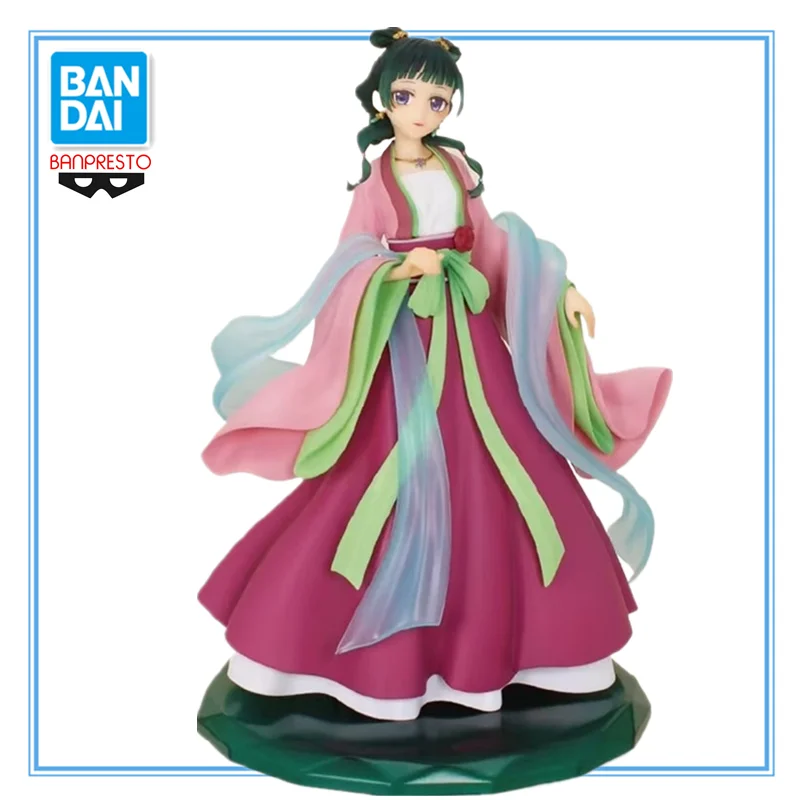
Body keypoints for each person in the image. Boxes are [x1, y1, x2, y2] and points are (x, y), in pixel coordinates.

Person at [197, 27, 672, 722]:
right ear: (382, 101)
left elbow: (494, 247)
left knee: (510, 467)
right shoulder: (375, 183)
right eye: (407, 97)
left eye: (438, 101)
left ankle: (540, 648)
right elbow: (348, 262)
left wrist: (559, 290)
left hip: (472, 339)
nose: (421, 112)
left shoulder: (456, 171)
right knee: (384, 472)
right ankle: (331, 651)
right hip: (404, 345)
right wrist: (395, 267)